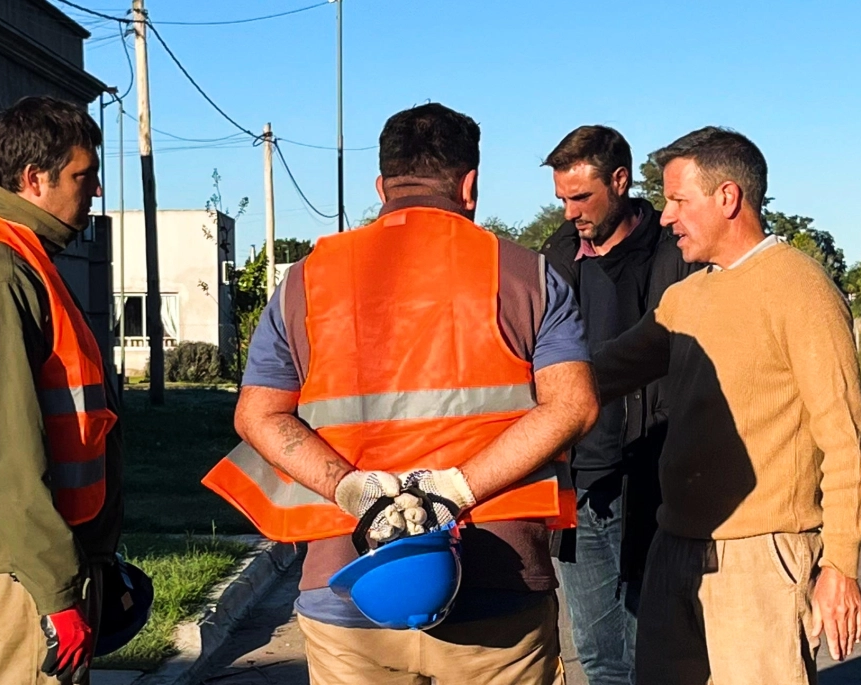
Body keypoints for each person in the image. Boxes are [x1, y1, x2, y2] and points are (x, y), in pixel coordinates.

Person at [203, 102, 600, 685]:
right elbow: (573, 404)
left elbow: (259, 413)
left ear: (381, 184)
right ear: (469, 184)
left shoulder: (305, 283)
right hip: (498, 584)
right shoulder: (529, 276)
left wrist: (351, 487)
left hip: (349, 584)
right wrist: (455, 488)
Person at [593, 126, 861, 685]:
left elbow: (846, 440)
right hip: (674, 548)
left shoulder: (801, 290)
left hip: (761, 560)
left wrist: (840, 564)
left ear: (728, 198)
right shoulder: (686, 296)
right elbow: (600, 373)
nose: (666, 216)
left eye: (678, 200)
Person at [0, 96, 122, 685]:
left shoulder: (28, 263)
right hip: (14, 568)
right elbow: (7, 455)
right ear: (35, 179)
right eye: (85, 176)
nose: (97, 191)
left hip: (32, 561)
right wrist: (58, 590)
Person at [538, 125, 703, 685]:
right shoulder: (557, 256)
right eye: (561, 199)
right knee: (602, 657)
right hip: (580, 486)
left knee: (663, 655)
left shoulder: (676, 250)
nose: (569, 213)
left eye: (580, 198)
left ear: (620, 181)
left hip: (656, 485)